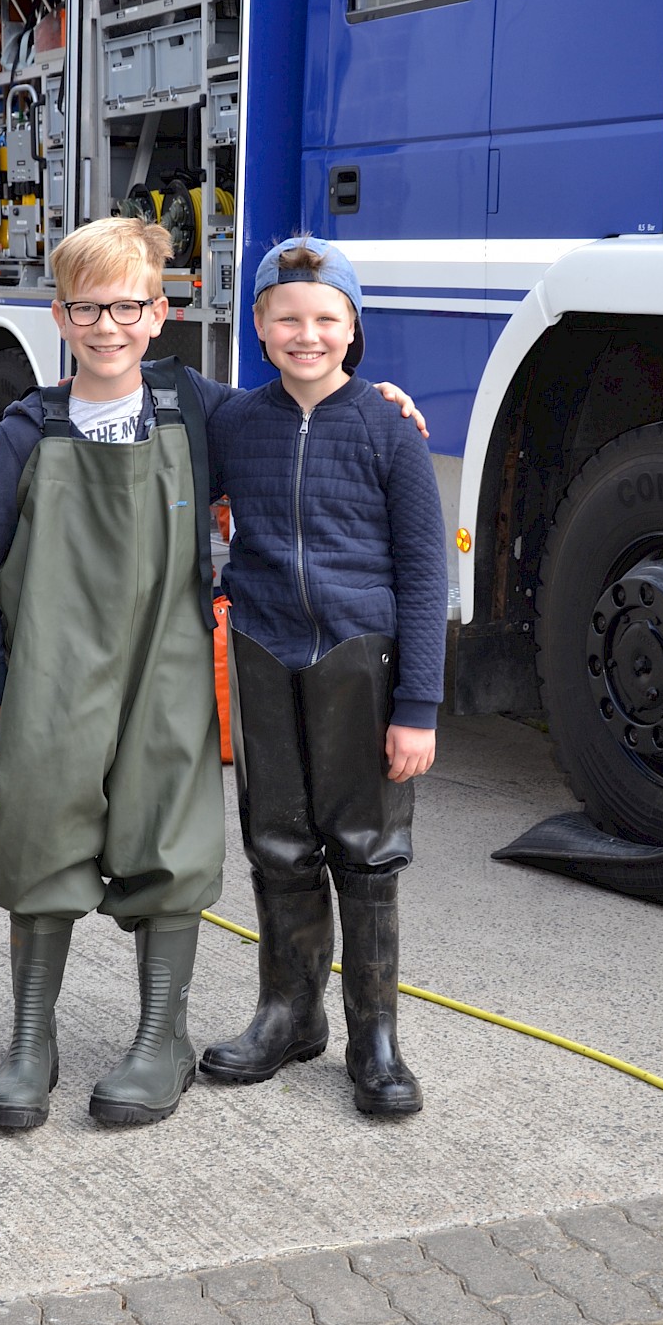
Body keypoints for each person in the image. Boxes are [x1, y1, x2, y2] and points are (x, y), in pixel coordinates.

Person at [0, 218, 229, 1133]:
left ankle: (162, 1038)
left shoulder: (197, 410)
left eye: (126, 305)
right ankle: (32, 1041)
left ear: (160, 312)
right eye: (86, 308)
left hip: (167, 658)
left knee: (166, 828)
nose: (107, 325)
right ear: (59, 314)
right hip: (51, 668)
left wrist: (373, 401)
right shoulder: (29, 427)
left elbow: (299, 429)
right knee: (41, 826)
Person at [200, 237, 447, 1118]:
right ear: (260, 329)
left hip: (360, 663)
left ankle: (374, 1038)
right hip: (265, 652)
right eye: (288, 319)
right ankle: (288, 1014)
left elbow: (424, 576)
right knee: (278, 842)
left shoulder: (388, 428)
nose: (308, 335)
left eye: (326, 320)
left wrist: (415, 706)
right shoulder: (232, 422)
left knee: (369, 851)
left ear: (354, 329)